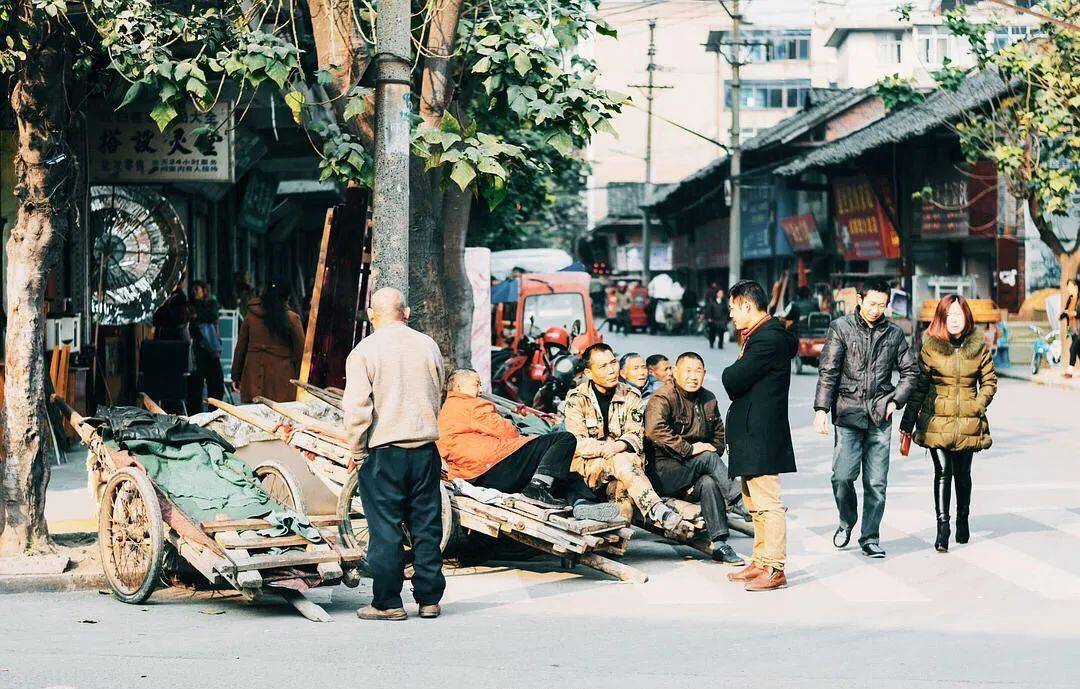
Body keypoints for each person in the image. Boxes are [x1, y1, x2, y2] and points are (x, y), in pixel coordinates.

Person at [342, 287, 446, 622]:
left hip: (384, 453)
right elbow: (438, 389)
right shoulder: (427, 345)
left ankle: (388, 603)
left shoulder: (364, 351)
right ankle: (429, 600)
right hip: (424, 449)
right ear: (407, 313)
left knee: (385, 530)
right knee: (426, 525)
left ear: (371, 315)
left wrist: (357, 452)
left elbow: (357, 410)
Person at [813, 278, 919, 559]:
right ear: (859, 300)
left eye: (882, 305)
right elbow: (829, 371)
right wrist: (821, 410)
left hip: (880, 416)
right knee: (842, 477)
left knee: (876, 484)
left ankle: (870, 536)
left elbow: (910, 372)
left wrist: (896, 400)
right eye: (872, 303)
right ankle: (847, 520)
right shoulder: (841, 328)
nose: (876, 310)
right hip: (847, 413)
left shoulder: (894, 334)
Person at [438, 369, 619, 521]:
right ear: (459, 387)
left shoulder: (446, 412)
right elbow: (507, 432)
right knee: (564, 439)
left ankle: (583, 503)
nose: (480, 389)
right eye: (476, 384)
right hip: (494, 466)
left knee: (562, 472)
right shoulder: (471, 405)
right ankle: (537, 488)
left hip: (477, 473)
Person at [900, 295, 997, 553]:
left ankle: (962, 517)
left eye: (958, 314)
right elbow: (919, 387)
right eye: (949, 315)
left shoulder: (978, 347)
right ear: (941, 319)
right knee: (943, 471)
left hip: (967, 420)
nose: (954, 320)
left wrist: (978, 404)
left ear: (966, 317)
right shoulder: (930, 347)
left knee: (963, 474)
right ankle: (943, 528)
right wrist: (907, 423)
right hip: (936, 420)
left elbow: (989, 381)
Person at [564, 343, 692, 535]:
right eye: (603, 366)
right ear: (589, 373)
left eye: (613, 363)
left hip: (624, 472)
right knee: (623, 459)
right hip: (587, 470)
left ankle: (617, 542)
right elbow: (578, 442)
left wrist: (618, 445)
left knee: (621, 490)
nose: (611, 370)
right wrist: (609, 449)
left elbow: (636, 434)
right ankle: (656, 508)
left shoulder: (631, 394)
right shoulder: (576, 398)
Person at [722, 280, 798, 592]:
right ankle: (760, 560)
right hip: (751, 432)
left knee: (768, 503)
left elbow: (733, 379)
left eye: (733, 309)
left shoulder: (767, 339)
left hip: (762, 433)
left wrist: (733, 370)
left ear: (747, 306)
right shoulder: (761, 335)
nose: (731, 316)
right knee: (754, 503)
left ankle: (775, 567)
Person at [645, 352, 748, 565]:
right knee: (707, 457)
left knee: (709, 482)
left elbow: (720, 437)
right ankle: (739, 500)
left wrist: (707, 449)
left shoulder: (708, 399)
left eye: (698, 371)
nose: (693, 376)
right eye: (688, 371)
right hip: (664, 472)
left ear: (704, 374)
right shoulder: (663, 397)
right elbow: (654, 430)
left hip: (694, 471)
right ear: (674, 371)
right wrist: (689, 449)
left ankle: (720, 544)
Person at [231, 281, 306, 403]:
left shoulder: (251, 315)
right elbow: (301, 354)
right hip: (282, 384)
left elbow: (241, 348)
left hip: (253, 381)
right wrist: (302, 381)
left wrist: (236, 376)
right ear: (287, 297)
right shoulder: (292, 319)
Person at [187, 281, 226, 413]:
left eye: (196, 289)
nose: (194, 292)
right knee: (196, 383)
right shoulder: (191, 304)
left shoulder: (211, 303)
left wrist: (197, 316)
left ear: (204, 290)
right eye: (193, 289)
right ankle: (196, 412)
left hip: (210, 349)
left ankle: (214, 409)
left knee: (215, 382)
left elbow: (212, 316)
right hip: (198, 349)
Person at [1062, 278, 1080, 379]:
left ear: (1076, 287)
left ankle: (1069, 372)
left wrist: (1075, 313)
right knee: (1078, 350)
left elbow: (1077, 313)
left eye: (1070, 287)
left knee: (1072, 348)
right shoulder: (1070, 298)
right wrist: (1062, 315)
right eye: (1068, 287)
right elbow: (1066, 311)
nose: (1069, 289)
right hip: (1073, 329)